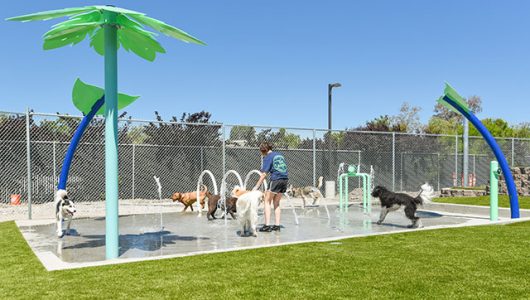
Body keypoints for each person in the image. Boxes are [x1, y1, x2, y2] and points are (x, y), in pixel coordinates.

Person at [254, 141, 288, 232]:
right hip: (285, 179)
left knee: (267, 201)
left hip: (276, 179)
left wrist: (256, 187)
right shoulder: (279, 155)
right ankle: (277, 226)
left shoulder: (268, 157)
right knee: (276, 202)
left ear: (263, 151)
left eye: (261, 152)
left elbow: (264, 174)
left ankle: (267, 226)